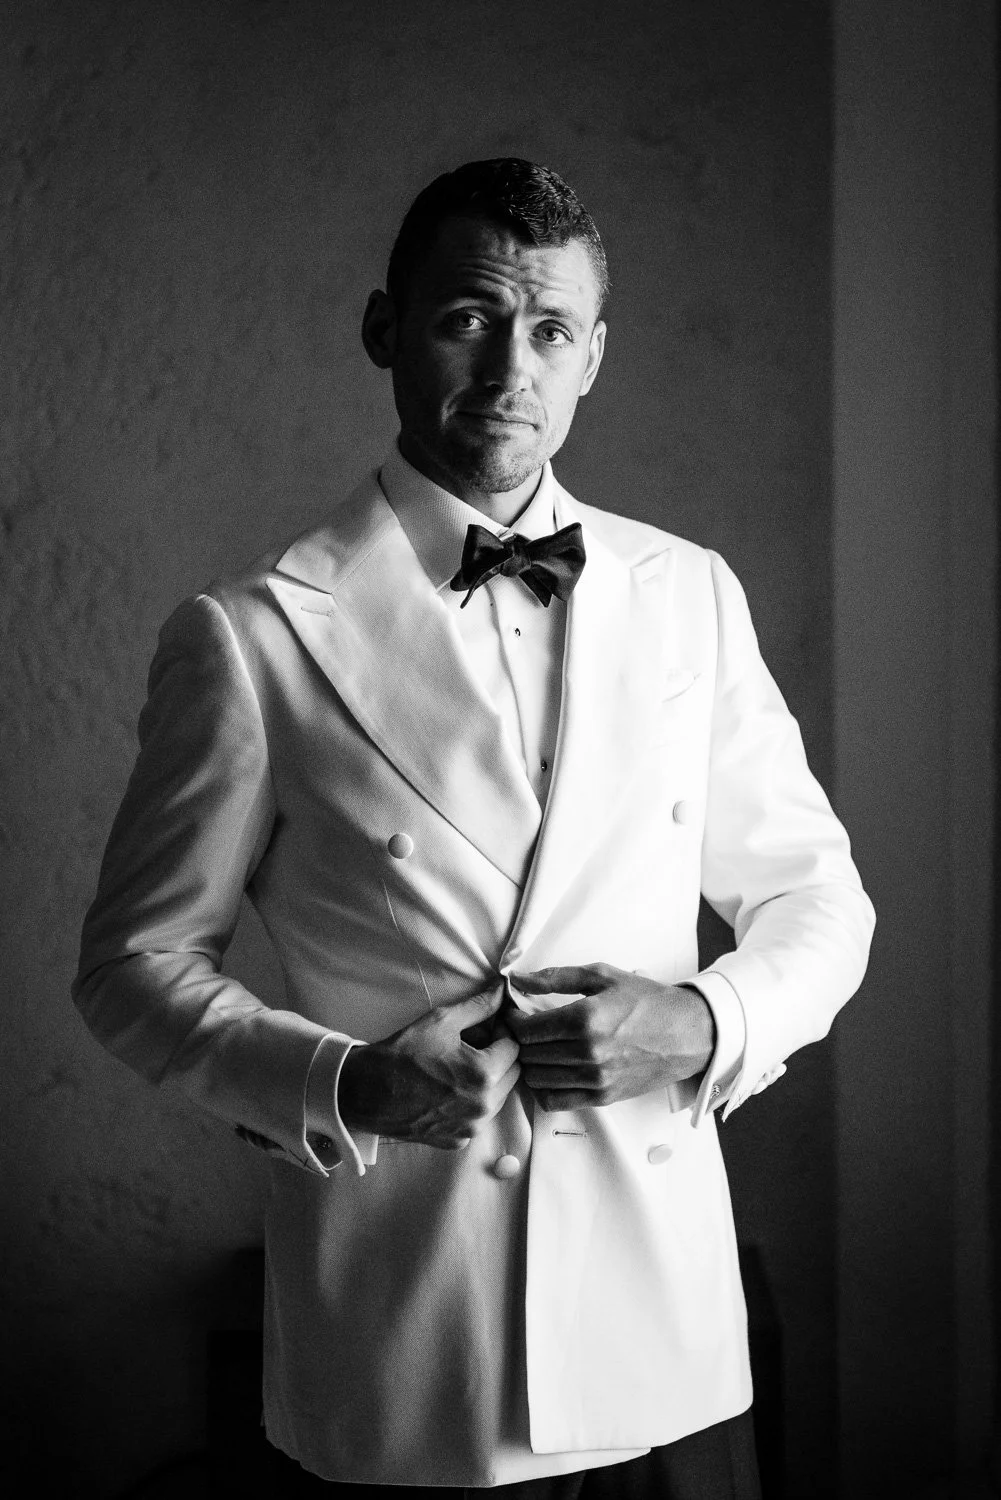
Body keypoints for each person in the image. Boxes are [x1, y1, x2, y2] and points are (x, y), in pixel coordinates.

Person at [73, 158, 874, 1498]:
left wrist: (705, 1022)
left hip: (665, 1333)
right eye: (469, 317)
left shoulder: (689, 595)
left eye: (551, 329)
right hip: (410, 1338)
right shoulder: (254, 633)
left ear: (594, 358)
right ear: (389, 330)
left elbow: (820, 901)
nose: (514, 364)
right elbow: (133, 967)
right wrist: (346, 1082)